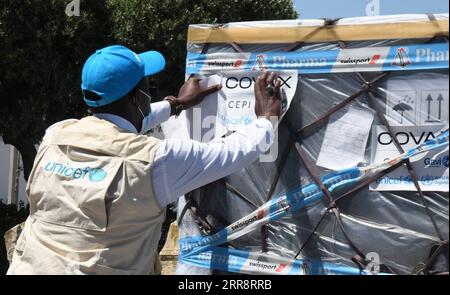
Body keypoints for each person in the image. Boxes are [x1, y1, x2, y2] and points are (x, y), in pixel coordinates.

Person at [7, 45, 281, 275]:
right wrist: (266, 119)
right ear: (139, 96)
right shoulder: (157, 160)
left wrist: (176, 104)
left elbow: (119, 126)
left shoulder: (56, 135)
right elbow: (233, 151)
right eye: (147, 85)